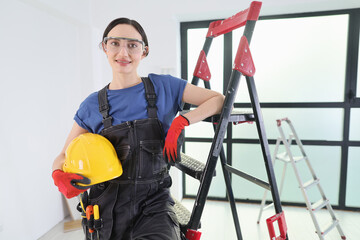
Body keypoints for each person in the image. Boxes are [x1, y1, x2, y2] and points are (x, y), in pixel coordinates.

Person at [52, 17, 224, 240]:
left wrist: (182, 121)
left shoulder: (165, 86)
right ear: (104, 47)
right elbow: (63, 155)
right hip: (106, 211)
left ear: (144, 51)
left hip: (154, 206)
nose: (123, 53)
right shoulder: (92, 105)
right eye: (114, 43)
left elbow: (218, 100)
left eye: (132, 45)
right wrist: (58, 175)